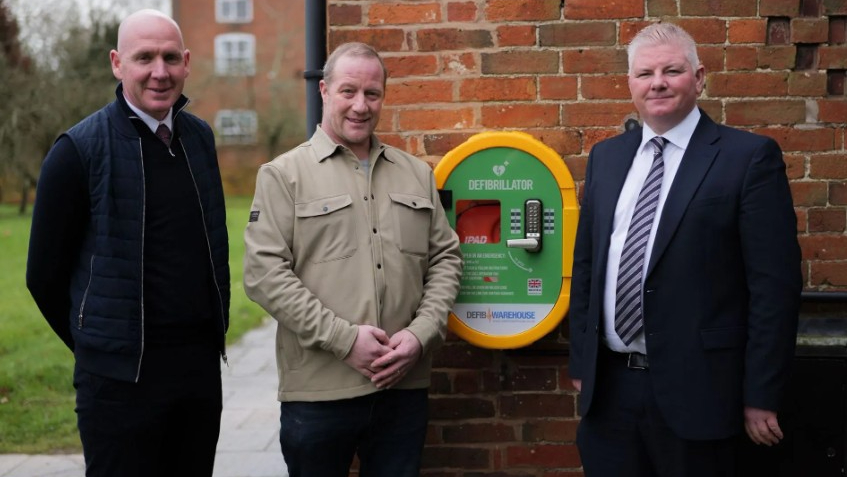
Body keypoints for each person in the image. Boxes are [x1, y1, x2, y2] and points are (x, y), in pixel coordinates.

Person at [568, 22, 802, 476]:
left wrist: (761, 395)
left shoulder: (747, 158)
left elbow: (775, 288)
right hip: (610, 393)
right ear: (630, 84)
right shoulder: (607, 157)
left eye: (671, 70)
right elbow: (587, 266)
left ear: (698, 78)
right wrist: (582, 361)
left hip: (703, 393)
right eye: (644, 73)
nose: (657, 82)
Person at [243, 42, 463, 477]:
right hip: (318, 396)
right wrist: (344, 340)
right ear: (324, 91)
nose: (361, 106)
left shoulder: (416, 174)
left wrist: (419, 336)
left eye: (372, 93)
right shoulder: (283, 175)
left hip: (403, 388)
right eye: (348, 91)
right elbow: (264, 275)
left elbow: (446, 259)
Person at [26, 9, 229, 477]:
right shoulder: (77, 151)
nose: (160, 72)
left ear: (187, 62)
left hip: (198, 374)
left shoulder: (199, 139)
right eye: (145, 58)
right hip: (118, 383)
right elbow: (42, 277)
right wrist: (97, 346)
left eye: (170, 58)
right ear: (118, 63)